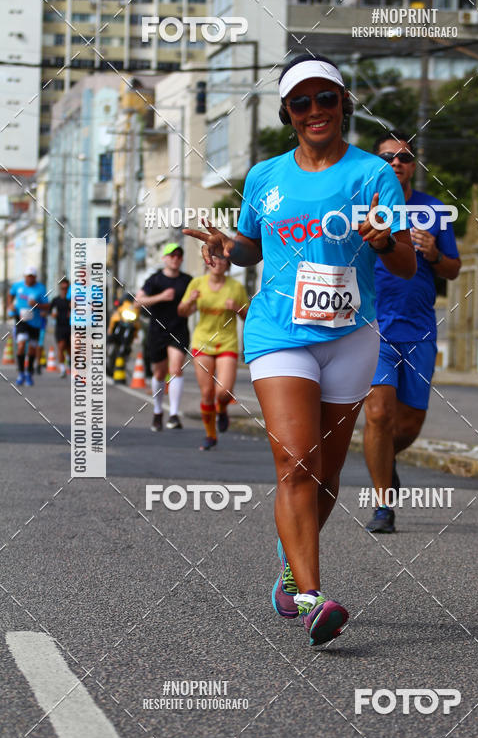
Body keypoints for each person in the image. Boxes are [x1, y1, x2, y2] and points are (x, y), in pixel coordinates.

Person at [184, 54, 416, 646]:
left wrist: (386, 239)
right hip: (277, 332)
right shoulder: (265, 176)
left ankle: (291, 565)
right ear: (288, 113)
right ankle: (313, 596)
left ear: (344, 105)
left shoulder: (373, 175)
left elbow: (404, 262)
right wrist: (224, 247)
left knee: (330, 473)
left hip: (351, 336)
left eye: (326, 99)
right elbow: (251, 247)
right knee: (296, 464)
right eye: (301, 102)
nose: (315, 111)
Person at [363, 132, 461, 533]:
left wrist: (435, 254)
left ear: (413, 164)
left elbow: (453, 270)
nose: (396, 163)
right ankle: (383, 505)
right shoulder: (360, 207)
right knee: (379, 414)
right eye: (387, 157)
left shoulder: (434, 210)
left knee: (408, 426)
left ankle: (384, 460)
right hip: (373, 326)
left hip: (419, 328)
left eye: (403, 157)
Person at [178, 256, 248, 450]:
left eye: (223, 260)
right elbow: (182, 311)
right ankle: (210, 435)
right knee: (207, 393)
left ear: (227, 265)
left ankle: (223, 409)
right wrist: (190, 302)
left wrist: (237, 308)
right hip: (202, 343)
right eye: (214, 260)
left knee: (223, 392)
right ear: (207, 264)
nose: (218, 264)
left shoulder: (236, 287)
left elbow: (248, 315)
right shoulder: (197, 283)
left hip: (227, 343)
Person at [135, 243, 192, 432]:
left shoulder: (187, 281)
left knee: (176, 369)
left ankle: (174, 414)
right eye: (172, 255)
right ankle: (158, 411)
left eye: (178, 255)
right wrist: (160, 297)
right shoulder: (155, 280)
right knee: (159, 373)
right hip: (157, 331)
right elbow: (138, 301)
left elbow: (195, 304)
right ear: (165, 259)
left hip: (179, 330)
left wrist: (192, 303)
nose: (175, 258)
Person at [8, 267, 48, 387]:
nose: (29, 279)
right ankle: (21, 373)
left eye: (32, 276)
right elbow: (10, 295)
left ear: (35, 277)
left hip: (35, 322)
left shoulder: (41, 288)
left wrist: (37, 305)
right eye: (27, 276)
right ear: (24, 276)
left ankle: (29, 373)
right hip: (21, 320)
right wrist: (10, 305)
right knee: (21, 345)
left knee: (31, 349)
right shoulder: (17, 286)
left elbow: (47, 305)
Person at [50, 278, 71, 377]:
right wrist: (52, 314)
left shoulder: (72, 300)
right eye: (62, 288)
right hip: (60, 327)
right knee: (61, 346)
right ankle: (62, 368)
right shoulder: (56, 300)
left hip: (71, 327)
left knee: (70, 349)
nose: (64, 290)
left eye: (66, 288)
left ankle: (71, 366)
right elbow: (50, 311)